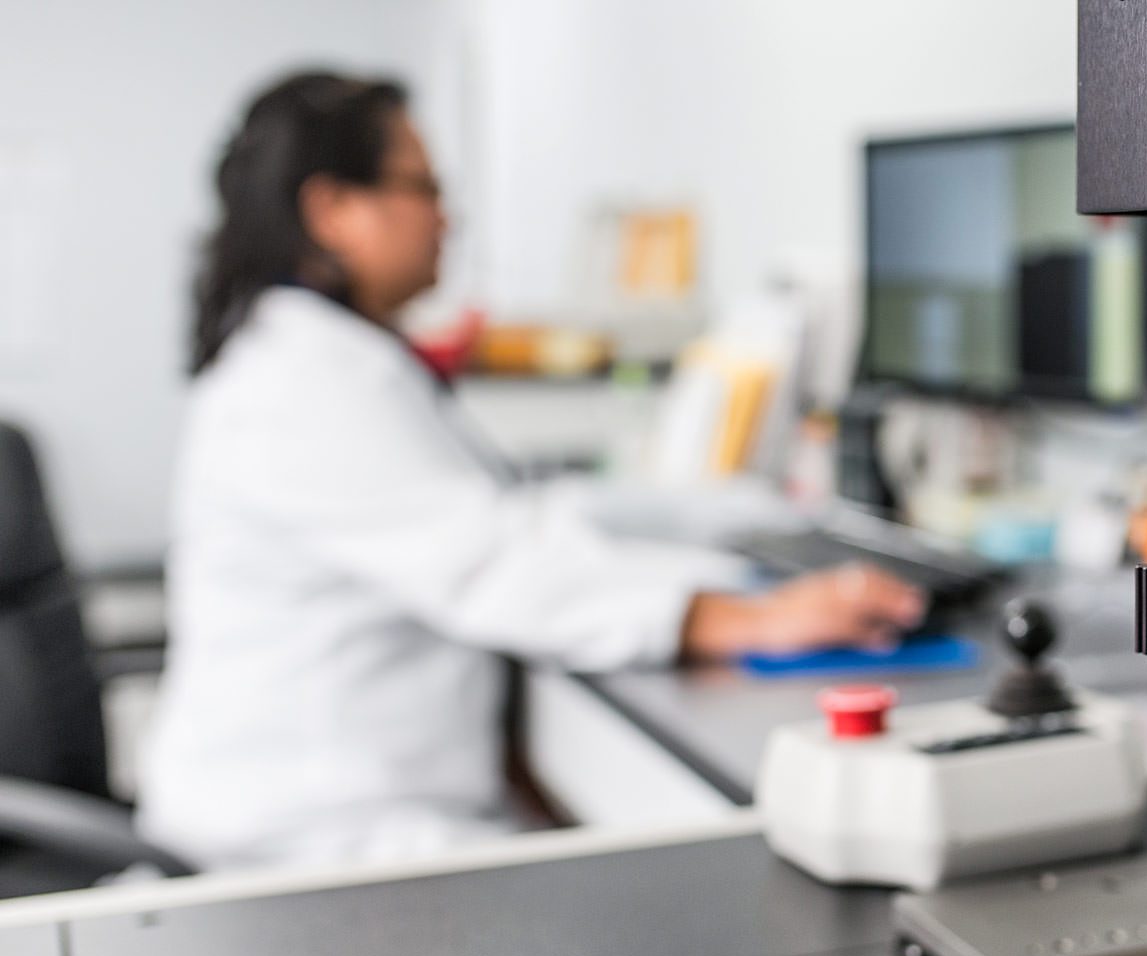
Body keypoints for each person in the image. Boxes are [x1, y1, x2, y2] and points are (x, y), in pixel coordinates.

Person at [139, 71, 925, 871]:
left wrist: (725, 542)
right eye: (424, 188)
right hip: (310, 843)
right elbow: (493, 565)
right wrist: (751, 619)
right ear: (333, 208)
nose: (448, 216)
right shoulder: (302, 383)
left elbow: (510, 519)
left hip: (360, 810)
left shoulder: (325, 359)